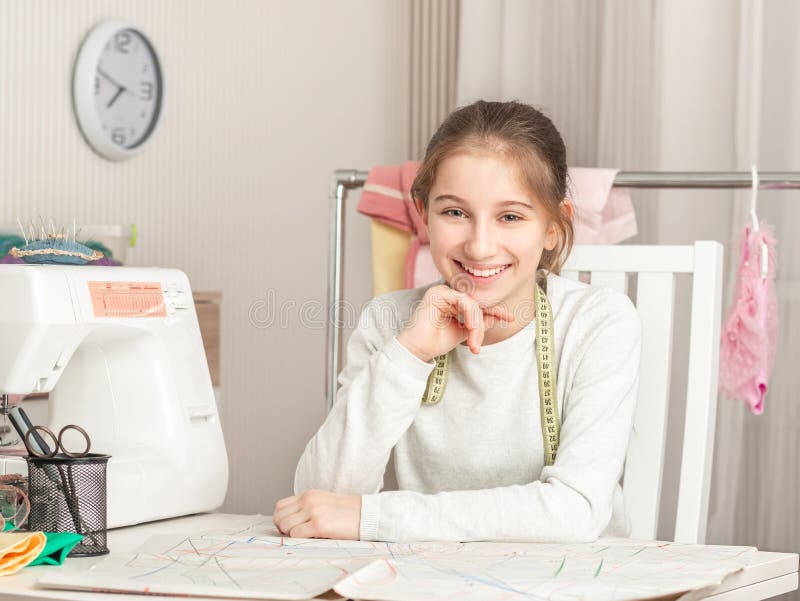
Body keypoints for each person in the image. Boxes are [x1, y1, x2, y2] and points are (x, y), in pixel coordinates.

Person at [273, 100, 642, 542]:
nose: (480, 246)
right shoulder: (390, 322)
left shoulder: (599, 323)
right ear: (423, 213)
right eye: (454, 212)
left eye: (510, 216)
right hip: (435, 581)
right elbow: (319, 499)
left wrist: (374, 518)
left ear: (553, 228)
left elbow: (574, 512)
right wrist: (410, 353)